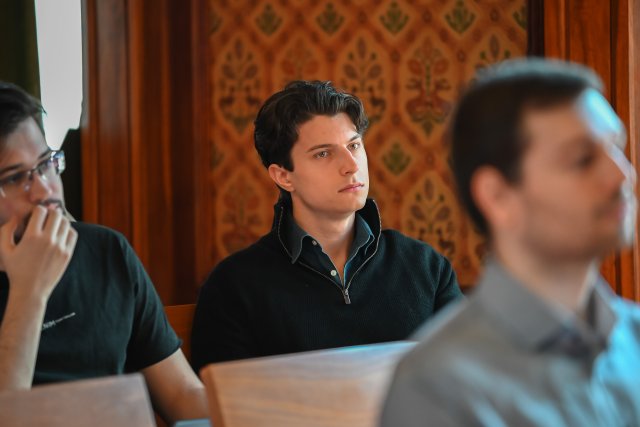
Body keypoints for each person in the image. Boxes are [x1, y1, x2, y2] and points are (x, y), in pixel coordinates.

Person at [379, 59, 640, 426]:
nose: (622, 175)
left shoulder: (635, 338)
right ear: (498, 196)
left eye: (617, 148)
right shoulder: (437, 386)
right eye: (582, 160)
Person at [191, 80, 462, 371]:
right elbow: (232, 399)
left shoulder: (426, 268)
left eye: (354, 145)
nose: (351, 165)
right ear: (283, 176)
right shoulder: (234, 287)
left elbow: (471, 379)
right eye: (323, 153)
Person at [0, 82, 208, 425]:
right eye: (14, 177)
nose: (44, 189)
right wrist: (29, 293)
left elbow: (181, 394)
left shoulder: (106, 251)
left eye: (45, 164)